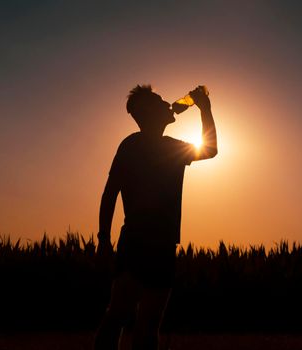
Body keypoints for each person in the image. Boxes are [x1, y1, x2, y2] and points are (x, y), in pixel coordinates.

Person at [94, 84, 217, 350]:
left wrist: (204, 109)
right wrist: (104, 238)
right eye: (160, 102)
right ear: (149, 113)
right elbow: (110, 191)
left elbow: (210, 150)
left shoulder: (172, 148)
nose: (167, 104)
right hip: (138, 239)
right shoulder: (132, 145)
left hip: (164, 243)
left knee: (149, 322)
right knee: (118, 313)